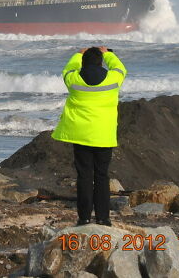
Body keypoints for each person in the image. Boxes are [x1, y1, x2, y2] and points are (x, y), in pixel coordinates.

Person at [51, 46, 127, 226]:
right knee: (102, 176)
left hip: (80, 136)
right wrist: (108, 54)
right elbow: (120, 69)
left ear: (83, 62)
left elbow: (67, 70)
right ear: (101, 62)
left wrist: (78, 54)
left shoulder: (74, 80)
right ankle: (103, 218)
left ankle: (84, 218)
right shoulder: (112, 79)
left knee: (84, 176)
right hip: (103, 136)